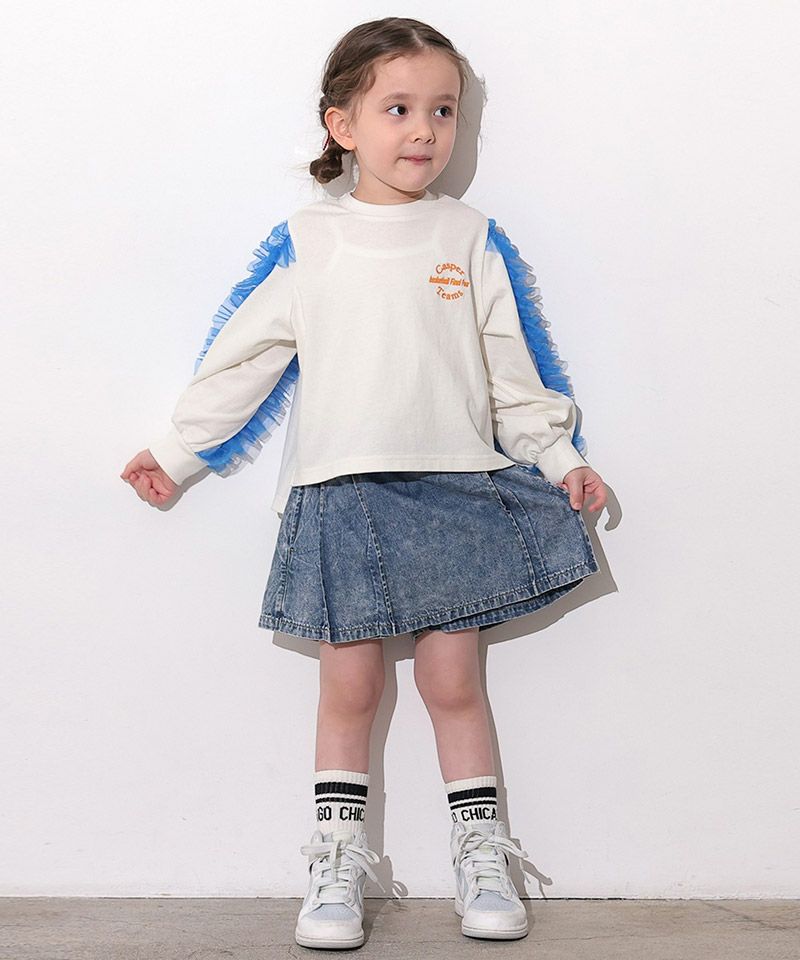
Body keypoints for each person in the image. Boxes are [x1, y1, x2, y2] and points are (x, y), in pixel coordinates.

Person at [120, 16, 608, 950]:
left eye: (443, 110)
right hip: (342, 491)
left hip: (456, 485)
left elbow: (512, 369)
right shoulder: (312, 239)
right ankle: (336, 864)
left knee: (453, 679)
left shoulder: (468, 235)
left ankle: (481, 856)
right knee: (348, 685)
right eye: (398, 109)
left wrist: (562, 459)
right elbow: (248, 357)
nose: (424, 130)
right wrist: (179, 450)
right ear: (342, 124)